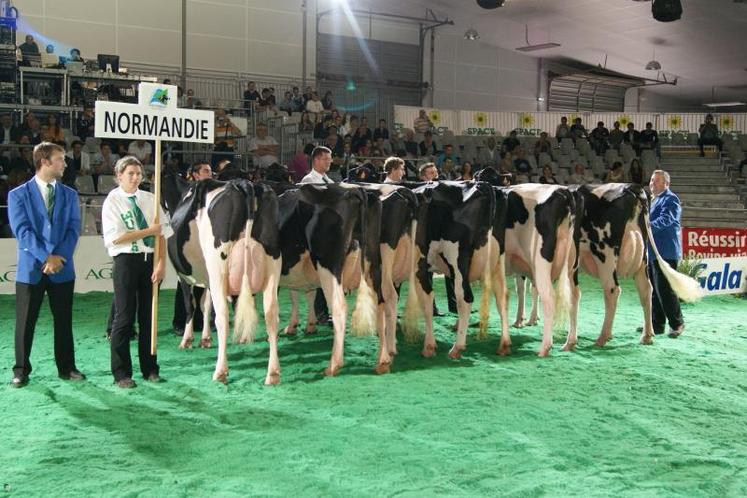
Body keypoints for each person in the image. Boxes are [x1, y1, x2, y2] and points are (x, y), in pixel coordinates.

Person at [8, 142, 84, 388]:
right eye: (60, 158)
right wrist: (46, 257)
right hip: (31, 270)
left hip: (62, 269)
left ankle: (67, 368)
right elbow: (22, 231)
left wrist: (58, 257)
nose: (65, 162)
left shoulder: (70, 194)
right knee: (25, 323)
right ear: (44, 162)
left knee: (64, 321)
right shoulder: (17, 195)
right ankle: (21, 370)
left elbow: (73, 229)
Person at [102, 156, 173, 388]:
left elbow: (161, 234)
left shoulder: (150, 199)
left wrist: (161, 263)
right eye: (130, 173)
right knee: (124, 318)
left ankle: (150, 368)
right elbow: (116, 237)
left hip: (149, 262)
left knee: (148, 317)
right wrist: (147, 231)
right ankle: (121, 373)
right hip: (125, 261)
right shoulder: (113, 201)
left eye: (138, 174)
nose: (135, 178)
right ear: (119, 175)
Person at [648, 170, 685, 338]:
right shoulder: (654, 200)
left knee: (665, 289)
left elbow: (666, 220)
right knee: (655, 289)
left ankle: (677, 324)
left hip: (666, 251)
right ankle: (657, 325)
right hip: (654, 251)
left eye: (656, 181)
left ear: (666, 184)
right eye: (651, 180)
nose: (652, 183)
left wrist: (646, 227)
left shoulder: (671, 199)